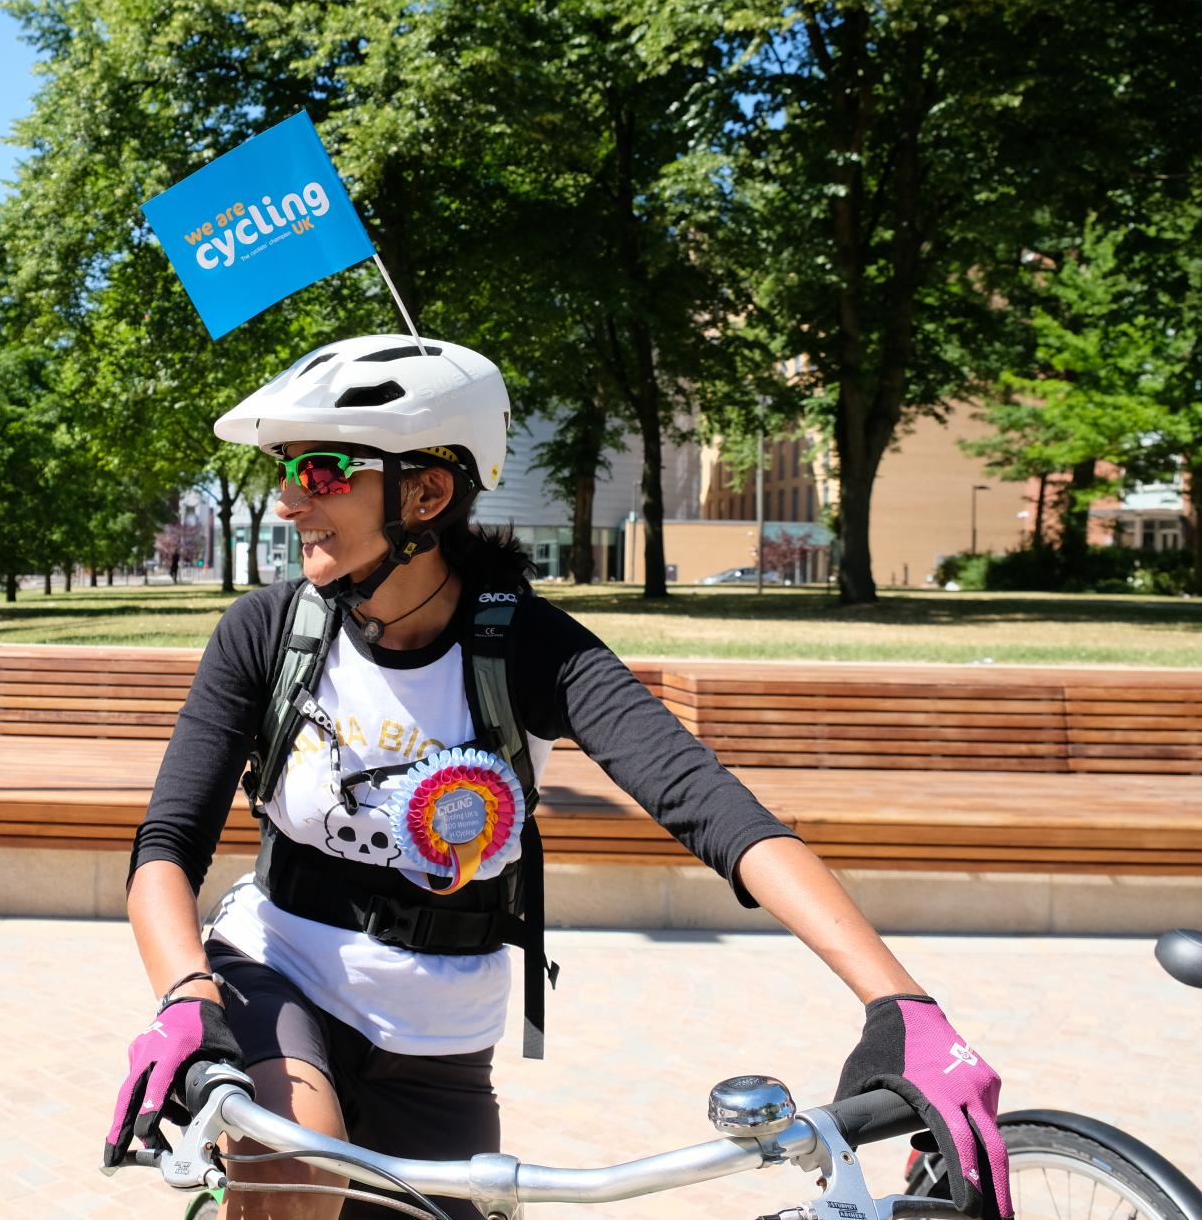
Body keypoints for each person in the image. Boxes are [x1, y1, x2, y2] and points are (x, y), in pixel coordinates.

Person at [106, 336, 1012, 1220]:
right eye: (288, 473)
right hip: (277, 970)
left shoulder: (527, 644)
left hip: (439, 1033)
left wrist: (903, 1001)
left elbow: (709, 804)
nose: (289, 502)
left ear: (426, 492)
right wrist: (187, 993)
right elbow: (166, 845)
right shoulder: (267, 631)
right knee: (301, 1170)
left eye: (322, 472)